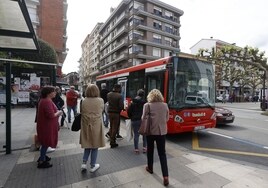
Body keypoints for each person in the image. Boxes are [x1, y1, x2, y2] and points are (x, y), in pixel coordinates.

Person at [142, 89, 169, 186]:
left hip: (150, 131)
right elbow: (167, 118)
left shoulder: (147, 105)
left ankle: (150, 168)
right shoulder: (165, 105)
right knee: (162, 154)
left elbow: (143, 118)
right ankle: (165, 176)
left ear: (150, 96)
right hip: (161, 132)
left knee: (150, 150)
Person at [80, 84, 105, 172]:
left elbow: (81, 111)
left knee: (87, 144)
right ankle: (92, 165)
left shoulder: (84, 100)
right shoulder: (100, 100)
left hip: (86, 124)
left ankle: (84, 163)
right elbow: (102, 110)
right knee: (95, 146)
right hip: (96, 125)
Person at [36, 86, 63, 168]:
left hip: (46, 125)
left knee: (45, 142)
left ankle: (42, 156)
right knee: (46, 142)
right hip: (47, 126)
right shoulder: (47, 101)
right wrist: (59, 113)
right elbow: (51, 115)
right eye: (53, 91)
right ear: (49, 93)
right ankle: (42, 161)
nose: (55, 93)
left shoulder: (44, 100)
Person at [127, 89, 147, 154]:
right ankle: (144, 148)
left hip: (134, 120)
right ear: (143, 95)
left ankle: (136, 149)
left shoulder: (132, 102)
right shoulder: (145, 103)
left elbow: (129, 111)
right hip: (143, 120)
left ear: (137, 94)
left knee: (136, 134)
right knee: (144, 134)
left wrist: (131, 117)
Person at [107, 84, 124, 148]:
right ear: (118, 88)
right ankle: (112, 142)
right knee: (115, 127)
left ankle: (111, 138)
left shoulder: (108, 94)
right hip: (116, 113)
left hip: (110, 113)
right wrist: (120, 109)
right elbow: (121, 106)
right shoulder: (120, 96)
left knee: (111, 126)